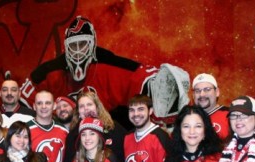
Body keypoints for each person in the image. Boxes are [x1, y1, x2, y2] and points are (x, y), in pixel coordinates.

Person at [20, 16, 189, 121]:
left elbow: (141, 77)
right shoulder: (50, 72)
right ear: (66, 47)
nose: (78, 51)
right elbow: (24, 100)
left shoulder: (108, 64)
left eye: (83, 44)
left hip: (108, 133)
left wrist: (161, 88)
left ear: (92, 44)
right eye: (73, 46)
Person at [63, 90, 126, 162]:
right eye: (81, 106)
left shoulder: (113, 128)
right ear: (78, 112)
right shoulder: (73, 135)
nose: (86, 108)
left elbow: (124, 159)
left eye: (89, 104)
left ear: (97, 107)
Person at [28, 90, 68, 162]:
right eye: (39, 103)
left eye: (48, 103)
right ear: (34, 106)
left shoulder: (64, 130)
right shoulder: (25, 130)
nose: (44, 106)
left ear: (54, 105)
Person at [192, 73, 229, 141]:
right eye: (197, 91)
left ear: (217, 92)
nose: (202, 94)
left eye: (207, 89)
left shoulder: (230, 115)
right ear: (193, 95)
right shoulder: (186, 118)